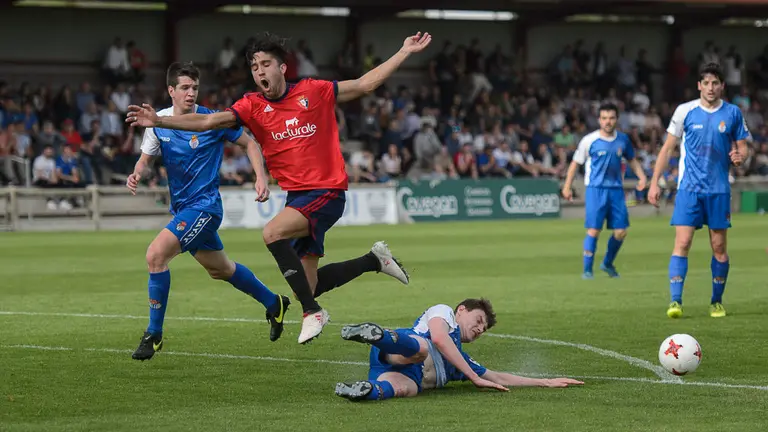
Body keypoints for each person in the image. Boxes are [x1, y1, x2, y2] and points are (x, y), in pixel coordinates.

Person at [127, 32, 433, 344]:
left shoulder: (313, 91)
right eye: (254, 66)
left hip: (326, 191)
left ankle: (312, 312)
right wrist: (160, 123)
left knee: (272, 233)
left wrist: (404, 52)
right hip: (298, 197)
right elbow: (209, 123)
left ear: (283, 68)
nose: (259, 71)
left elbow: (365, 84)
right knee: (307, 284)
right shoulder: (251, 105)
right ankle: (373, 260)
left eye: (266, 64)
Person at [126, 62, 290, 361]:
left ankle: (154, 334)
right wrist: (137, 172)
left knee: (156, 255)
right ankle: (274, 303)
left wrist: (261, 177)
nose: (191, 93)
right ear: (171, 90)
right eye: (185, 88)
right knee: (221, 270)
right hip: (183, 209)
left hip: (205, 208)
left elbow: (250, 144)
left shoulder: (211, 120)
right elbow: (145, 159)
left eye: (195, 88)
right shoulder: (158, 121)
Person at [648, 63, 749, 319]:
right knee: (682, 242)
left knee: (718, 247)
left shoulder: (733, 113)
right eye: (706, 83)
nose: (711, 88)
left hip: (718, 190)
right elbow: (667, 148)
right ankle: (675, 301)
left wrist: (740, 157)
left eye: (715, 83)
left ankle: (716, 301)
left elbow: (742, 149)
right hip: (689, 190)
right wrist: (654, 182)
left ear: (722, 86)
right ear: (699, 86)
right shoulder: (685, 111)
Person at [334, 299, 584, 401]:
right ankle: (378, 335)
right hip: (395, 349)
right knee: (422, 349)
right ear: (462, 309)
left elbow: (497, 377)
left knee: (406, 390)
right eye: (478, 321)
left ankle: (365, 391)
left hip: (403, 374)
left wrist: (546, 382)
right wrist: (474, 378)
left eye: (483, 329)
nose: (479, 329)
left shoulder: (461, 360)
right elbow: (440, 340)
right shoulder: (444, 313)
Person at [561, 103, 647, 279]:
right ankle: (587, 270)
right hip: (596, 190)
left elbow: (631, 160)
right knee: (594, 230)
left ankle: (607, 263)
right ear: (599, 120)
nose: (608, 122)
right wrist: (567, 186)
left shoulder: (623, 140)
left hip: (616, 190)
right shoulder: (589, 140)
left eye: (611, 118)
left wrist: (642, 177)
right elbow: (575, 163)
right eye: (604, 118)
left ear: (616, 119)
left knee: (621, 231)